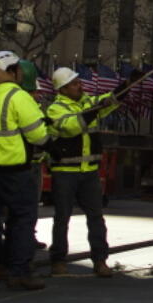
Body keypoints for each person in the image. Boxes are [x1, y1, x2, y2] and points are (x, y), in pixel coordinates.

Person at [0, 51, 50, 293]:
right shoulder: (16, 95)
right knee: (21, 222)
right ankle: (18, 273)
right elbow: (38, 134)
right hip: (16, 171)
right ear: (12, 72)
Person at [46, 67, 121, 278]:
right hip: (65, 172)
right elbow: (72, 126)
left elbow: (110, 100)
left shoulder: (89, 102)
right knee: (62, 218)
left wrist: (125, 87)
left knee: (96, 217)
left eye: (79, 82)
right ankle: (58, 261)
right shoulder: (56, 109)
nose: (80, 85)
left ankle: (100, 260)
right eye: (74, 83)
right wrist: (97, 108)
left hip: (89, 172)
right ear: (63, 89)